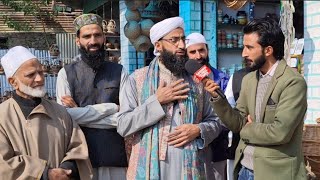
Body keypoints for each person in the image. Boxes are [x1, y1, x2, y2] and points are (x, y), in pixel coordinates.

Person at [117, 17, 222, 180]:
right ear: (158, 45)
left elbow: (216, 121)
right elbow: (123, 125)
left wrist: (198, 130)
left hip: (191, 167)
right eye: (174, 40)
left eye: (182, 39)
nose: (181, 46)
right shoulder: (137, 79)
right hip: (150, 170)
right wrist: (156, 102)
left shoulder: (199, 78)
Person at [204, 17, 307, 180]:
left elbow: (280, 133)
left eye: (249, 47)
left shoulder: (292, 82)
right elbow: (237, 122)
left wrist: (248, 128)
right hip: (243, 169)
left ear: (268, 50)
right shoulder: (249, 80)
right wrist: (218, 99)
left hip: (275, 172)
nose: (244, 53)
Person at [0, 46, 92, 180]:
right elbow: (3, 164)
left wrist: (66, 169)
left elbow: (78, 148)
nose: (39, 79)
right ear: (13, 82)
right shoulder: (2, 116)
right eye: (31, 75)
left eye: (41, 72)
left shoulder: (60, 112)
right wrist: (45, 173)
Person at [56, 14, 128, 180]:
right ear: (78, 41)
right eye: (87, 36)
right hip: (80, 156)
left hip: (113, 156)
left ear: (104, 37)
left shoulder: (119, 71)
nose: (93, 41)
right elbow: (65, 119)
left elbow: (126, 118)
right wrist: (111, 108)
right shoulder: (65, 74)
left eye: (97, 35)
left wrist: (79, 113)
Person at [186, 32, 229, 180]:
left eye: (201, 50)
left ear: (207, 50)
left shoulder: (221, 79)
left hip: (216, 149)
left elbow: (229, 116)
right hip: (190, 149)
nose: (198, 56)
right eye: (192, 52)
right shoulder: (182, 80)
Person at [224, 59, 255, 180]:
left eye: (250, 47)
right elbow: (230, 111)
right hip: (239, 149)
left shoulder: (285, 79)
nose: (245, 54)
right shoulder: (238, 77)